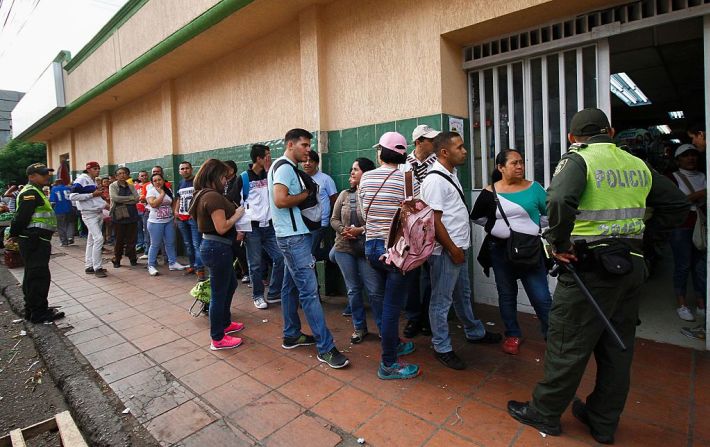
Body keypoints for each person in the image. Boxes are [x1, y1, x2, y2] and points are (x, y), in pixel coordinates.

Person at [507, 108, 690, 444]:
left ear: (572, 137)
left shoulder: (579, 160)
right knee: (617, 348)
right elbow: (677, 204)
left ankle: (544, 412)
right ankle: (603, 422)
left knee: (567, 342)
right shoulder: (636, 164)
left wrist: (558, 243)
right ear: (612, 131)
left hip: (588, 267)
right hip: (630, 267)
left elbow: (560, 199)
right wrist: (646, 246)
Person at [269, 128, 349, 369]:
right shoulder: (284, 167)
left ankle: (292, 334)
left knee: (289, 287)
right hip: (293, 238)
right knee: (310, 292)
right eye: (304, 145)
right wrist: (305, 194)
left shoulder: (284, 167)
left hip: (290, 235)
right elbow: (280, 200)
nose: (307, 150)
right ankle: (326, 348)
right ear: (291, 144)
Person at [422, 132, 501, 370]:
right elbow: (434, 221)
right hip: (446, 251)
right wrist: (453, 249)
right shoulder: (435, 180)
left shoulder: (451, 174)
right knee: (441, 300)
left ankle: (474, 331)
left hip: (457, 248)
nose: (465, 151)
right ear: (444, 152)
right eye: (460, 147)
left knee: (462, 294)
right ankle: (441, 346)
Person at [470, 148, 552, 355]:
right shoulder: (490, 192)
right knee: (506, 294)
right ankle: (512, 334)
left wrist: (532, 226)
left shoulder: (535, 188)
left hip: (530, 250)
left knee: (541, 297)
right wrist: (497, 229)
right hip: (500, 251)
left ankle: (552, 336)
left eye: (521, 162)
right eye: (514, 163)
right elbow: (477, 217)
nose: (520, 166)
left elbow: (549, 214)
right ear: (500, 167)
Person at [359, 131, 419, 380]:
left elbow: (363, 215)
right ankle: (388, 363)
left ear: (382, 152)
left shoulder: (367, 178)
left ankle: (392, 343)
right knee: (393, 307)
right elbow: (414, 217)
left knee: (384, 303)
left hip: (372, 249)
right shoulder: (409, 179)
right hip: (396, 252)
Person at [190, 158, 246, 350]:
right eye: (223, 177)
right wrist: (237, 215)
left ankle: (225, 323)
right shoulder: (212, 197)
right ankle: (218, 338)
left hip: (215, 247)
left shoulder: (203, 194)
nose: (226, 181)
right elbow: (221, 227)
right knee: (219, 293)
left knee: (230, 285)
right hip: (217, 248)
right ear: (214, 176)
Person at [331, 157, 382, 344]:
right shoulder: (344, 195)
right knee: (353, 290)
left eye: (356, 169)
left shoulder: (374, 195)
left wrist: (359, 230)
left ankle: (384, 328)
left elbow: (379, 222)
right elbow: (333, 219)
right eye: (351, 169)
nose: (351, 172)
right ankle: (359, 328)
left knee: (375, 290)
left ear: (367, 173)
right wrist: (344, 230)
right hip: (344, 248)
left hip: (367, 248)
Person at [230, 145, 284, 310]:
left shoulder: (271, 174)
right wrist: (240, 228)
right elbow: (233, 202)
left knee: (281, 258)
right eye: (267, 156)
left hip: (270, 227)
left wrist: (269, 172)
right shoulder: (244, 178)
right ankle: (258, 296)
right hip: (252, 228)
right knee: (255, 264)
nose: (270, 158)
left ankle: (274, 292)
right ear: (258, 159)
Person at [9, 163, 65, 323]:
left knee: (34, 276)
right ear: (31, 176)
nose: (46, 176)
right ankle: (38, 313)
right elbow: (21, 217)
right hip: (34, 241)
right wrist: (13, 234)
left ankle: (34, 309)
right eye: (42, 174)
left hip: (37, 240)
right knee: (38, 277)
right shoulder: (31, 193)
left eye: (47, 173)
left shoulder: (36, 191)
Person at [400, 124, 440, 338]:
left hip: (435, 224)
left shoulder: (440, 165)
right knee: (412, 275)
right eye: (430, 140)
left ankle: (427, 317)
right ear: (418, 142)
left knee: (431, 275)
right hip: (411, 227)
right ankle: (414, 317)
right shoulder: (404, 165)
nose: (434, 143)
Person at [666, 144, 707, 329]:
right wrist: (701, 194)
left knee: (700, 265)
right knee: (683, 264)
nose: (691, 159)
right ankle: (682, 303)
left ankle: (701, 302)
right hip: (681, 226)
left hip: (700, 225)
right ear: (678, 160)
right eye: (686, 156)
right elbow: (676, 201)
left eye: (693, 155)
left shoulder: (703, 176)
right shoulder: (672, 178)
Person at [70, 161, 109, 278]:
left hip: (97, 212)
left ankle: (89, 266)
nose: (97, 170)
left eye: (98, 168)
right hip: (89, 214)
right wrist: (92, 195)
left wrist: (105, 205)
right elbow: (73, 196)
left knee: (92, 240)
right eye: (95, 169)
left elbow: (95, 198)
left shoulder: (92, 181)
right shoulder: (82, 179)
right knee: (99, 238)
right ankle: (98, 267)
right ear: (88, 170)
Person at [145, 173, 186, 276]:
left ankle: (172, 263)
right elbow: (153, 204)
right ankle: (151, 265)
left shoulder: (169, 190)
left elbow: (172, 204)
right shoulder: (151, 191)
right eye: (155, 180)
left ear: (163, 180)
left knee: (170, 243)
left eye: (159, 179)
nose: (158, 182)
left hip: (168, 221)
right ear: (152, 183)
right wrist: (162, 194)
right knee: (155, 244)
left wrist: (174, 217)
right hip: (155, 222)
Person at [303, 150, 338, 261]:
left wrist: (327, 216)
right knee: (310, 254)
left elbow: (335, 200)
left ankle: (334, 255)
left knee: (309, 254)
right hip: (303, 224)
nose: (307, 163)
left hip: (320, 223)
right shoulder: (299, 179)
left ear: (317, 163)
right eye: (305, 161)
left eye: (311, 161)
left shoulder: (325, 179)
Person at [174, 161, 205, 280]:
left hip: (193, 219)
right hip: (182, 218)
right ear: (179, 171)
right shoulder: (180, 183)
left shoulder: (197, 182)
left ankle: (200, 269)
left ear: (191, 169)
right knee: (188, 245)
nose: (185, 170)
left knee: (196, 244)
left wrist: (197, 213)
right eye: (182, 169)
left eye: (187, 168)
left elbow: (202, 198)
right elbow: (178, 199)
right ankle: (193, 265)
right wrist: (176, 211)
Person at [109, 167, 140, 268]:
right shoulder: (113, 186)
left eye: (124, 173)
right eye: (119, 173)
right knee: (119, 239)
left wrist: (127, 200)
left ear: (127, 175)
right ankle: (117, 259)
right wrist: (130, 198)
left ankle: (132, 258)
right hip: (119, 215)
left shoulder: (131, 186)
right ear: (116, 176)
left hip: (132, 215)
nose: (122, 175)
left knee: (132, 239)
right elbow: (115, 198)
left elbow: (136, 199)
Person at [49, 179, 75, 246]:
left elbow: (53, 201)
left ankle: (64, 242)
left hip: (59, 210)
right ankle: (70, 237)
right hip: (70, 208)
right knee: (70, 223)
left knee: (61, 226)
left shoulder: (54, 189)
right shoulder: (68, 188)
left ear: (57, 183)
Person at [134, 170, 149, 253]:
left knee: (146, 230)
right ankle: (140, 245)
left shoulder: (150, 185)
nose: (144, 177)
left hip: (146, 210)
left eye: (145, 175)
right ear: (138, 177)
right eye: (142, 176)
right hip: (137, 210)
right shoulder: (135, 186)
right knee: (139, 229)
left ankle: (146, 247)